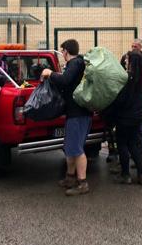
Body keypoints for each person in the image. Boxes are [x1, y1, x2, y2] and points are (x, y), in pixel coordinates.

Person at [41, 39, 92, 196]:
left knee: (76, 149)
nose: (62, 54)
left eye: (62, 51)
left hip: (78, 114)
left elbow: (65, 80)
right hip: (76, 113)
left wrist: (50, 73)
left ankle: (82, 183)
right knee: (70, 148)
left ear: (65, 51)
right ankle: (70, 177)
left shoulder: (75, 64)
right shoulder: (79, 64)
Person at [105, 51, 142, 185]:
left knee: (122, 145)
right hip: (137, 117)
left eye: (127, 59)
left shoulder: (127, 79)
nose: (125, 61)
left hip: (125, 118)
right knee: (133, 144)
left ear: (132, 62)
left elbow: (121, 100)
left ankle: (126, 175)